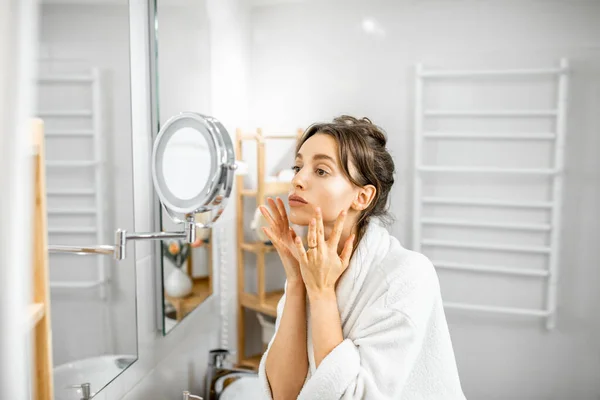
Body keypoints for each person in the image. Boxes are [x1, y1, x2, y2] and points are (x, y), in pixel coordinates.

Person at [257, 115, 466, 400]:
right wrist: (296, 281)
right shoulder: (311, 266)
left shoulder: (407, 275)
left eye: (320, 171)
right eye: (298, 166)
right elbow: (283, 394)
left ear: (363, 197)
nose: (297, 180)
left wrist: (321, 293)